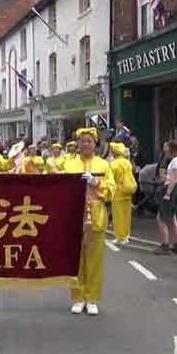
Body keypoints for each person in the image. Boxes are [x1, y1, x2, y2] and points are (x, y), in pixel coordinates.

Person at [64, 128, 115, 316]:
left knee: (94, 260)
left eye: (89, 141)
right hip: (73, 215)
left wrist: (96, 183)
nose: (86, 144)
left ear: (95, 144)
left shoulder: (103, 165)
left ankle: (92, 298)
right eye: (82, 141)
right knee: (75, 259)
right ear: (77, 143)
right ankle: (78, 297)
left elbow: (112, 190)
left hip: (96, 215)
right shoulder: (68, 165)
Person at [153, 140, 177, 255]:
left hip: (171, 190)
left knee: (161, 218)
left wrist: (167, 194)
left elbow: (174, 179)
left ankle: (165, 246)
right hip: (172, 189)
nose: (165, 148)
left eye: (167, 147)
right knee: (172, 218)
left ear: (172, 149)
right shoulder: (176, 161)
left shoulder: (175, 161)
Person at [109, 142, 136, 245]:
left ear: (114, 152)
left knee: (118, 216)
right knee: (126, 215)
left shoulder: (113, 164)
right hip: (128, 191)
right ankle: (126, 236)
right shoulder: (127, 162)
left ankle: (119, 236)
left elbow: (111, 178)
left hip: (117, 192)